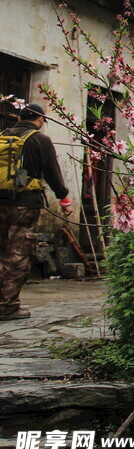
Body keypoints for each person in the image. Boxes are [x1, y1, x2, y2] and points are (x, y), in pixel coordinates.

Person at [0, 103, 72, 320]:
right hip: (25, 204)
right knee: (18, 254)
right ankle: (7, 306)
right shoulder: (40, 140)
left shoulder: (3, 136)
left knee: (2, 251)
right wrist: (63, 197)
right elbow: (52, 172)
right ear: (40, 120)